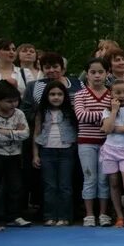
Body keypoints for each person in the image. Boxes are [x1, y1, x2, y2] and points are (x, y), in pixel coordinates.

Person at [32, 81, 77, 226]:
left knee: (65, 185)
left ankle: (65, 217)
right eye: (52, 94)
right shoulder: (42, 111)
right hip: (47, 151)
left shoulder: (70, 111)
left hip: (66, 151)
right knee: (50, 186)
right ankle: (49, 216)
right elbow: (36, 133)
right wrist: (35, 154)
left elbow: (77, 131)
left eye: (59, 94)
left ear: (65, 96)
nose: (56, 97)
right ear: (46, 96)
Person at [75, 57, 113, 227]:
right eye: (93, 72)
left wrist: (109, 117)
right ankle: (89, 215)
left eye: (100, 72)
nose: (97, 76)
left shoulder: (112, 95)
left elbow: (115, 119)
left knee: (103, 180)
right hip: (86, 143)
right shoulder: (80, 94)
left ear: (107, 74)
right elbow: (81, 116)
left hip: (107, 143)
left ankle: (104, 214)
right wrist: (105, 115)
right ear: (87, 75)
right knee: (89, 178)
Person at [0, 81, 31, 227]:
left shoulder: (19, 114)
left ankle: (15, 215)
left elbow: (25, 134)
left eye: (16, 101)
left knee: (16, 186)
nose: (13, 104)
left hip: (14, 155)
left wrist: (5, 131)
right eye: (9, 101)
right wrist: (15, 132)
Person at [100, 80, 124, 227]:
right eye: (118, 92)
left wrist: (109, 128)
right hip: (110, 150)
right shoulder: (107, 110)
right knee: (114, 183)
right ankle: (119, 216)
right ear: (111, 94)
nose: (122, 95)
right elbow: (106, 129)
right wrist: (114, 111)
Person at [0, 39, 34, 108]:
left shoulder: (25, 72)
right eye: (7, 49)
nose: (11, 52)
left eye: (14, 50)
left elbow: (31, 96)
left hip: (18, 113)